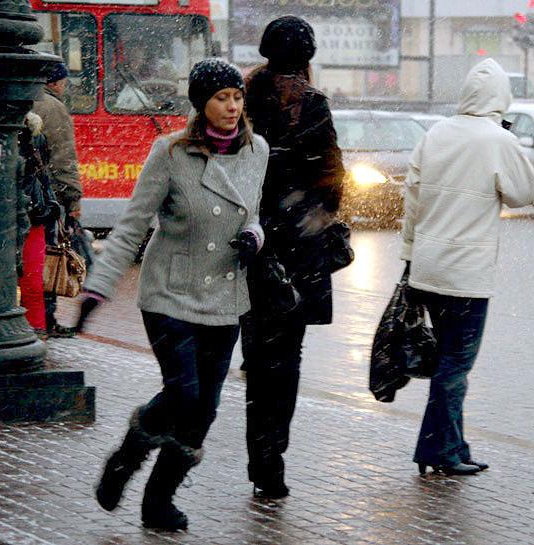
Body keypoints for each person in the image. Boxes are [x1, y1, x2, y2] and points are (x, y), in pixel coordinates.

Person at [75, 58, 268, 531]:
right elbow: (132, 226)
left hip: (225, 296)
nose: (232, 106)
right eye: (221, 98)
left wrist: (255, 237)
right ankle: (126, 457)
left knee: (204, 407)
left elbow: (253, 215)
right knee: (184, 392)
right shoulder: (170, 152)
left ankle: (158, 501)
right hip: (169, 294)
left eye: (237, 97)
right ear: (201, 105)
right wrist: (98, 287)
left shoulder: (257, 150)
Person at [400, 58, 534, 476]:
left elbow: (412, 198)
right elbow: (525, 193)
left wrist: (408, 256)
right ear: (501, 97)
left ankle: (454, 446)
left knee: (447, 361)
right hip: (466, 276)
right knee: (455, 368)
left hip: (427, 269)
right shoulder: (497, 140)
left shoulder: (437, 133)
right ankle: (437, 451)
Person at [242, 15, 344, 499]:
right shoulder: (313, 103)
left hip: (249, 244)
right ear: (308, 55)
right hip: (298, 250)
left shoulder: (243, 97)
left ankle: (257, 452)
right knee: (286, 359)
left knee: (257, 355)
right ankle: (270, 461)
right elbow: (331, 179)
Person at [32, 62, 84, 338]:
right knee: (50, 256)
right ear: (54, 82)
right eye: (64, 81)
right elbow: (64, 160)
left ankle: (35, 316)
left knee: (30, 258)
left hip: (23, 194)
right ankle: (46, 319)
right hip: (45, 198)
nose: (65, 86)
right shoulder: (53, 108)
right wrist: (73, 199)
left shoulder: (25, 99)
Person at [16, 112, 60, 339]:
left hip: (32, 215)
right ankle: (34, 327)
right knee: (30, 280)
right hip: (17, 216)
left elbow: (42, 174)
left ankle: (36, 328)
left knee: (32, 280)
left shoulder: (34, 135)